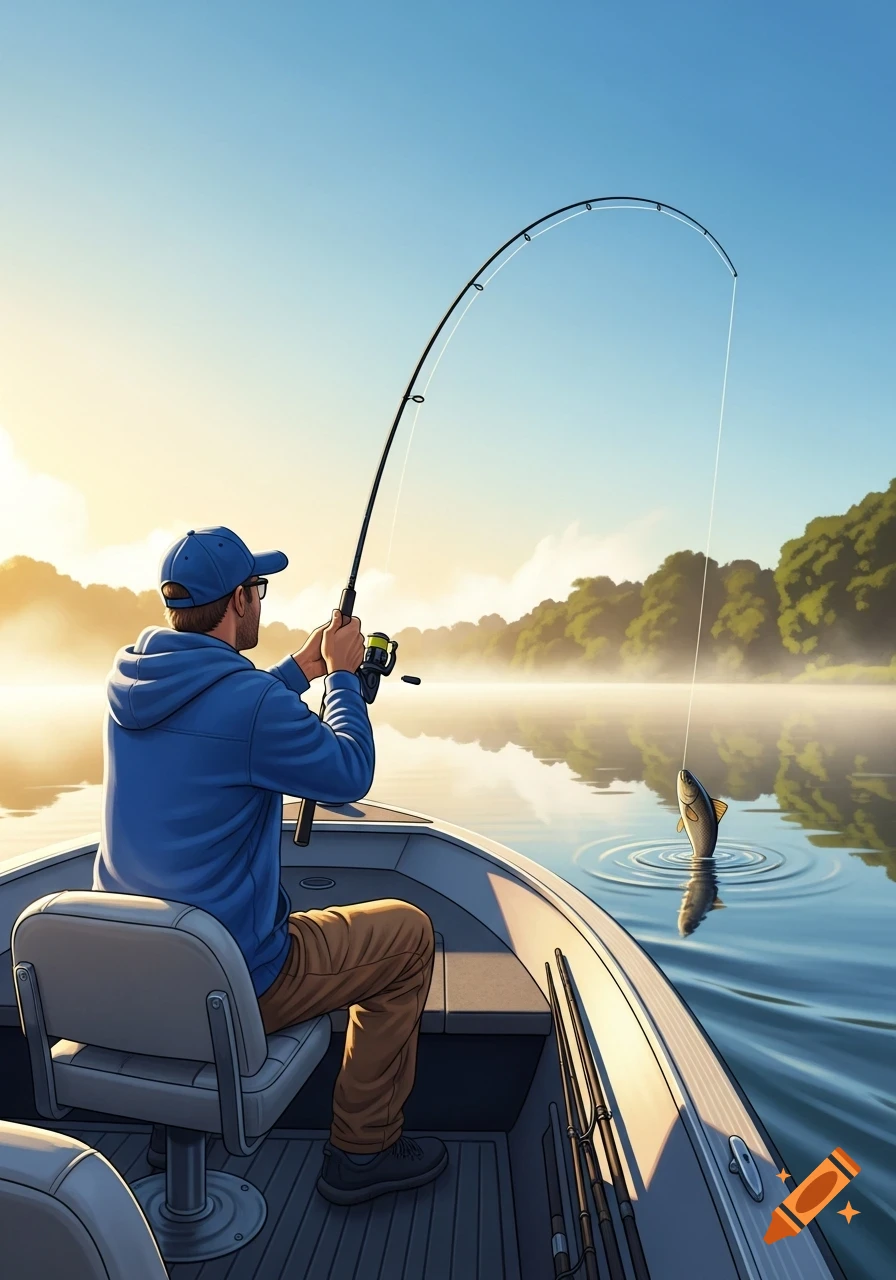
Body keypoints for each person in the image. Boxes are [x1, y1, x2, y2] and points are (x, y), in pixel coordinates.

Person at [93, 526, 447, 1205]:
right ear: (237, 602)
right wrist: (342, 676)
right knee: (408, 935)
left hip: (126, 972)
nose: (261, 600)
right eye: (257, 588)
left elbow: (222, 708)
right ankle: (363, 1153)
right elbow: (348, 773)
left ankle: (176, 1128)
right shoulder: (248, 705)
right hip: (230, 981)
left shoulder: (128, 678)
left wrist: (301, 670)